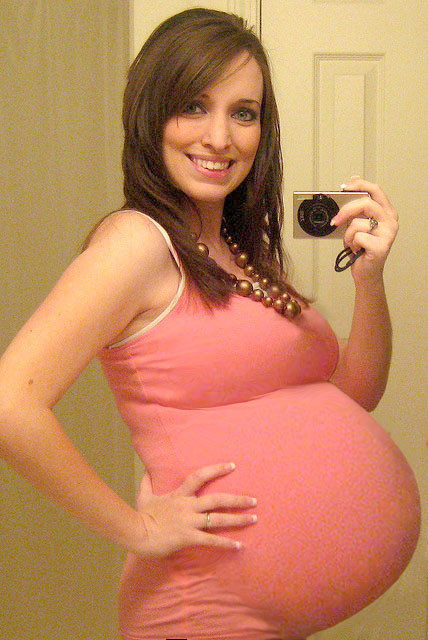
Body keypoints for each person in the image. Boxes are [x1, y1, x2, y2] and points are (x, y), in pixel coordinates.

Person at [0, 8, 421, 640]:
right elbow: (11, 403)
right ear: (151, 114)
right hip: (201, 614)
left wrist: (369, 279)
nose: (220, 137)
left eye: (243, 113)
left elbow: (354, 396)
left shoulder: (240, 250)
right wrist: (138, 528)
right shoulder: (138, 242)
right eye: (194, 106)